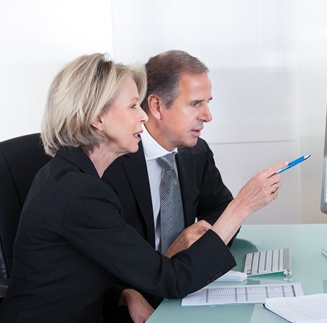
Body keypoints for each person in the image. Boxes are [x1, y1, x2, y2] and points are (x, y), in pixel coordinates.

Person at [0, 53, 284, 323]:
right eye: (133, 106)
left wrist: (125, 292)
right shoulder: (81, 193)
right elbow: (173, 280)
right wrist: (242, 206)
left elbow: (71, 270)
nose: (143, 116)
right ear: (98, 118)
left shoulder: (67, 175)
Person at [101, 50, 243, 320]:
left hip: (184, 289)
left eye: (208, 102)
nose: (208, 115)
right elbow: (91, 257)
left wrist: (196, 247)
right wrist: (125, 292)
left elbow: (221, 210)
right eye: (195, 103)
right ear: (155, 106)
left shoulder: (195, 152)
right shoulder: (112, 161)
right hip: (134, 300)